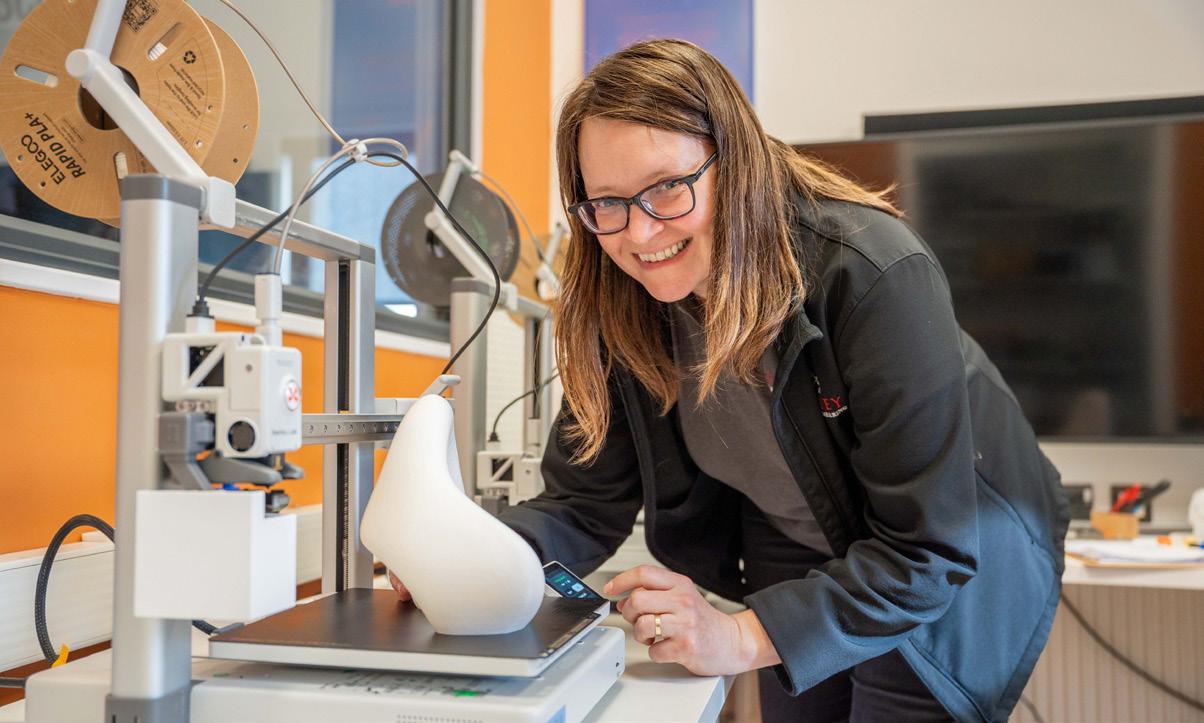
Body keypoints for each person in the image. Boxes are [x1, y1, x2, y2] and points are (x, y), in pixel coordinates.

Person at [390, 39, 1068, 723]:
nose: (640, 233)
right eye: (608, 203)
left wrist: (738, 636)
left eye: (667, 187)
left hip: (945, 551)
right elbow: (584, 502)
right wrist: (473, 560)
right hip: (793, 529)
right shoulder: (623, 301)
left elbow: (924, 550)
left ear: (735, 163)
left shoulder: (873, 273)